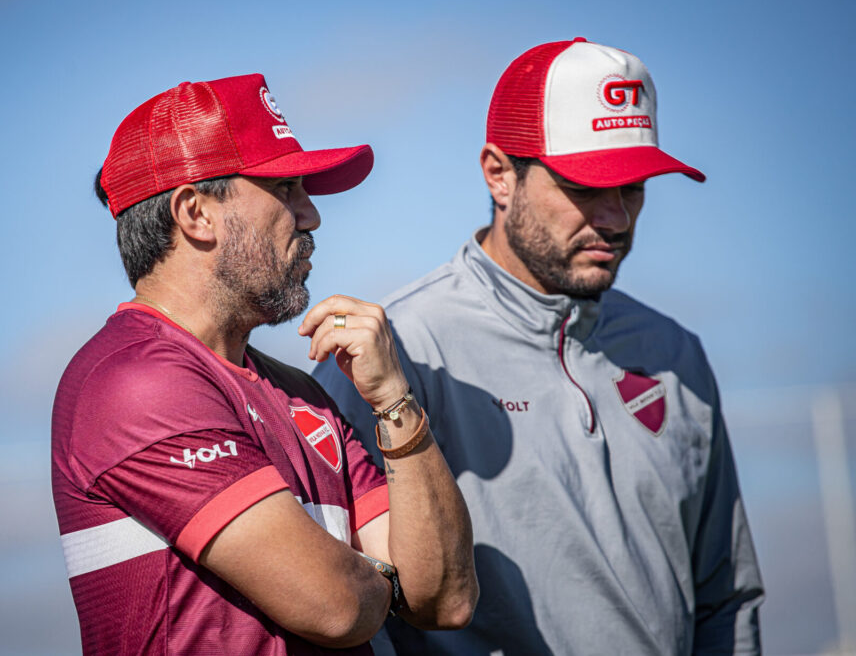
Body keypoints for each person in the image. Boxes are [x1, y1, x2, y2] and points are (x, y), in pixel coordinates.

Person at [314, 38, 764, 655]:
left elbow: (726, 597)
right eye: (586, 186)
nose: (615, 218)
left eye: (634, 187)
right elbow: (350, 603)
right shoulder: (396, 352)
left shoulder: (675, 352)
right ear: (499, 175)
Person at [51, 73, 478, 655]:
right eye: (286, 188)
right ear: (196, 213)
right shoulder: (134, 380)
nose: (311, 216)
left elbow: (445, 600)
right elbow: (336, 607)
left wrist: (393, 402)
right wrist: (385, 580)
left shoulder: (302, 393)